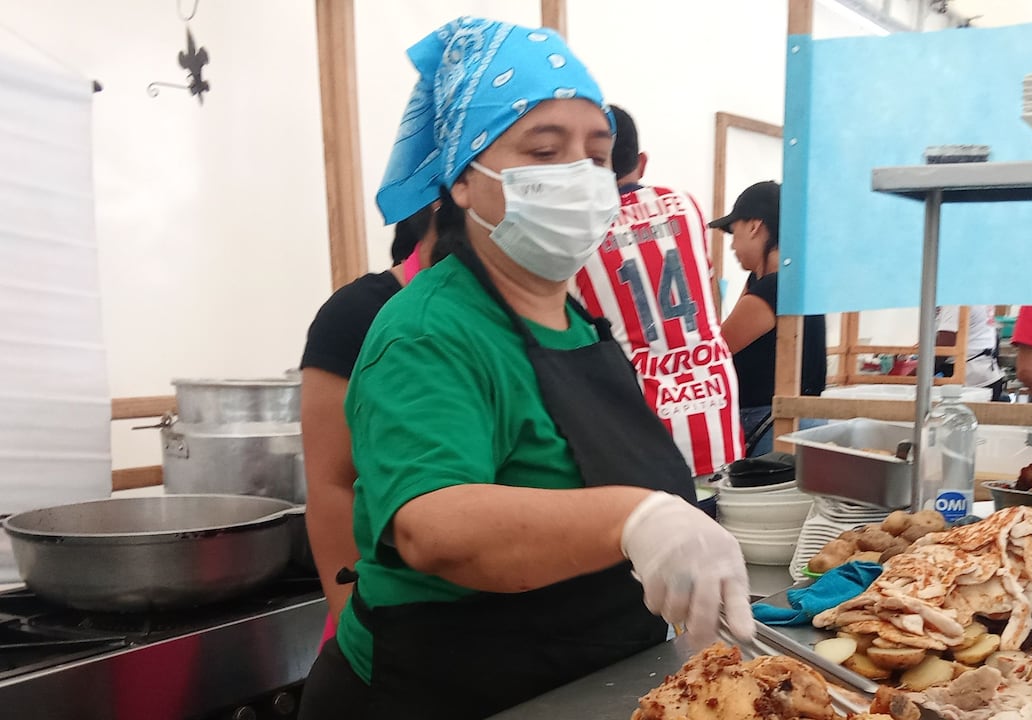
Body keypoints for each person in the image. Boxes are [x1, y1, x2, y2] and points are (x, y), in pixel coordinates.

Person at [297, 18, 752, 720]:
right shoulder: (428, 330)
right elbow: (433, 523)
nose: (579, 175)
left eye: (597, 156)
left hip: (580, 682)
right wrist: (634, 517)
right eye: (545, 150)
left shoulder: (579, 321)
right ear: (462, 184)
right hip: (444, 694)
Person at [571, 106, 743, 477]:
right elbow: (710, 297)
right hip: (715, 403)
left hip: (641, 423)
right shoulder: (686, 205)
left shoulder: (580, 230)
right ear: (642, 162)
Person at [299, 203, 436, 635]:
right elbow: (332, 486)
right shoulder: (358, 313)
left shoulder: (559, 309)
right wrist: (352, 626)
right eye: (542, 152)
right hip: (392, 622)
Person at [710, 181, 827, 456]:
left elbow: (715, 350)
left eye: (733, 231)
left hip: (774, 428)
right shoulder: (796, 284)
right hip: (804, 423)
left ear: (754, 226)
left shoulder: (771, 291)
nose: (732, 246)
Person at [936, 305, 1004, 400]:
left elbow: (944, 347)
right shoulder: (976, 295)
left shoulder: (954, 302)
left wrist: (914, 375)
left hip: (969, 381)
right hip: (986, 373)